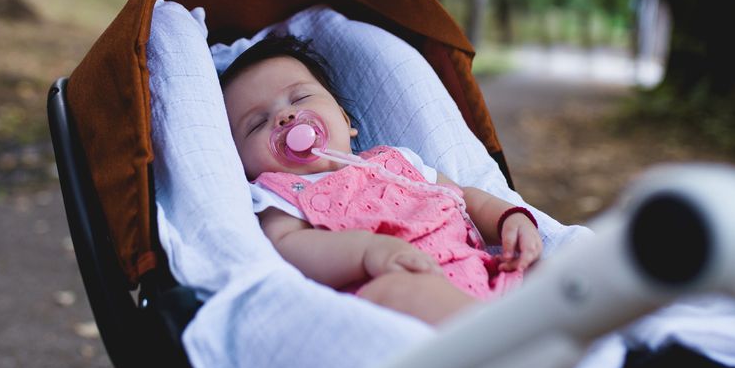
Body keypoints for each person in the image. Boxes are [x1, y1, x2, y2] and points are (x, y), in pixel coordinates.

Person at [220, 35, 543, 325]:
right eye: (257, 123)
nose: (285, 117)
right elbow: (286, 246)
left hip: (483, 273)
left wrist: (508, 218)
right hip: (396, 290)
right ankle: (500, 344)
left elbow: (464, 198)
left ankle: (538, 336)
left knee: (544, 270)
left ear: (346, 122)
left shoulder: (396, 161)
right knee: (398, 292)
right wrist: (367, 252)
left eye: (300, 98)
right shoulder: (280, 195)